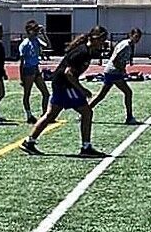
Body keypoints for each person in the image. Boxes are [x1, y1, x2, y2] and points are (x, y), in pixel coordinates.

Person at [21, 26, 109, 159]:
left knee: (51, 115)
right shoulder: (83, 52)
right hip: (65, 85)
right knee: (87, 112)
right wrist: (81, 89)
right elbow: (68, 73)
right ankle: (86, 147)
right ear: (94, 38)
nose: (103, 43)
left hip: (61, 84)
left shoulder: (88, 51)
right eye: (102, 39)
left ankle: (29, 142)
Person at [89, 28, 143, 125]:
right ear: (131, 35)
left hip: (112, 71)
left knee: (101, 95)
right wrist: (121, 70)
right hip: (114, 72)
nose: (137, 39)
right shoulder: (125, 45)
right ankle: (129, 117)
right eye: (136, 36)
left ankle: (85, 111)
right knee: (128, 92)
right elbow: (115, 59)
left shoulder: (128, 45)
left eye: (139, 37)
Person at [17, 20, 51, 123]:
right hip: (28, 70)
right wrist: (21, 77)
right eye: (34, 30)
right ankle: (29, 115)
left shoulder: (36, 40)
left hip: (36, 69)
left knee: (46, 93)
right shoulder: (24, 44)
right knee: (27, 94)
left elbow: (48, 45)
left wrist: (43, 34)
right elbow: (21, 62)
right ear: (29, 31)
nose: (36, 32)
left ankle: (45, 114)